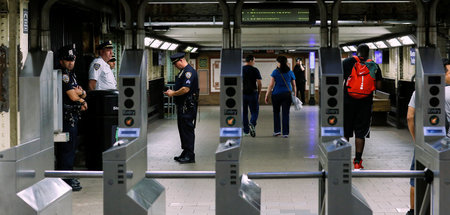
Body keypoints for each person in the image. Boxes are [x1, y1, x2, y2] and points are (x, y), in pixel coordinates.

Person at [405, 58, 450, 215]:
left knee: (416, 177)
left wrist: (417, 141)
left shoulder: (419, 91)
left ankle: (413, 211)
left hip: (424, 143)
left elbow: (410, 117)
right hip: (445, 144)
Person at [343, 44, 382, 170]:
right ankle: (358, 162)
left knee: (345, 131)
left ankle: (343, 159)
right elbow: (379, 86)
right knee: (361, 133)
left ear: (356, 52)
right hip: (365, 103)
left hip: (348, 102)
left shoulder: (348, 62)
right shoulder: (374, 65)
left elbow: (338, 79)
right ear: (368, 53)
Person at [56, 44, 88, 191]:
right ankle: (66, 178)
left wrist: (81, 95)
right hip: (66, 117)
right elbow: (72, 95)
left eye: (72, 59)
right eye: (67, 60)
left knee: (71, 148)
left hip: (72, 117)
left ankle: (68, 174)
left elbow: (83, 92)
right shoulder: (64, 75)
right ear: (61, 60)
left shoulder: (71, 74)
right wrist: (82, 99)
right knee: (67, 149)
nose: (70, 62)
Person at [164, 53, 199, 164]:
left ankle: (190, 155)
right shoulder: (183, 72)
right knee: (182, 129)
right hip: (182, 106)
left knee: (187, 129)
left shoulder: (189, 72)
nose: (175, 66)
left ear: (181, 60)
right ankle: (186, 151)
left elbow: (185, 89)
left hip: (187, 106)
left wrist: (173, 93)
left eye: (175, 63)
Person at [265, 56, 296, 138]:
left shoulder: (275, 72)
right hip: (287, 95)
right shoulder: (290, 72)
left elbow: (271, 85)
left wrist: (266, 95)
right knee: (286, 113)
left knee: (276, 113)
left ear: (279, 63)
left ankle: (277, 131)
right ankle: (285, 133)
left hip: (276, 95)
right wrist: (295, 95)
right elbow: (294, 85)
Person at [242, 55, 262, 137]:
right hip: (253, 93)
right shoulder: (255, 70)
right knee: (255, 111)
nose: (254, 62)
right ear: (250, 61)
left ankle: (246, 131)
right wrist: (259, 93)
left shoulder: (241, 69)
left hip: (243, 93)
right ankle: (252, 123)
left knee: (244, 113)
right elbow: (259, 83)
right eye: (254, 60)